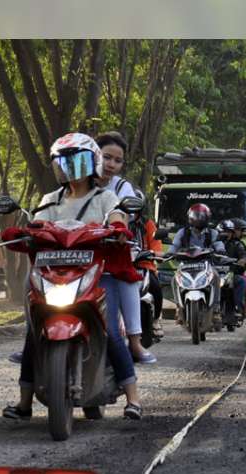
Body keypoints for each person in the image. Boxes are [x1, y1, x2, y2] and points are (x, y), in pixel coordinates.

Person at [3, 132, 144, 421]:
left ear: (91, 162)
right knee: (33, 331)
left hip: (95, 272)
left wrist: (118, 226)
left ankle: (134, 398)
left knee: (112, 332)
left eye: (78, 160)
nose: (71, 167)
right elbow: (35, 224)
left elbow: (119, 217)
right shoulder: (49, 199)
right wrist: (23, 234)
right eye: (64, 162)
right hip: (53, 273)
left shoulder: (105, 197)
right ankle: (24, 401)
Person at [95, 132, 155, 364]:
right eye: (106, 157)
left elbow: (125, 216)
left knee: (128, 278)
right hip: (80, 251)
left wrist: (119, 231)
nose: (111, 164)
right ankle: (35, 338)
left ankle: (135, 340)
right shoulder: (80, 181)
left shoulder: (121, 187)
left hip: (114, 249)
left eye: (117, 160)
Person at [127, 190, 165, 339]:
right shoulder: (117, 223)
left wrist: (154, 253)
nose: (131, 211)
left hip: (144, 266)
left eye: (135, 207)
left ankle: (156, 320)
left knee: (156, 288)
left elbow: (157, 247)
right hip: (123, 266)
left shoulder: (148, 225)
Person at [220, 219, 246, 322]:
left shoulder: (238, 244)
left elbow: (244, 257)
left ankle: (238, 306)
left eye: (228, 232)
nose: (226, 234)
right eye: (224, 231)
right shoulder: (213, 244)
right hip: (214, 275)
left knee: (242, 281)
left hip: (230, 274)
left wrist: (240, 262)